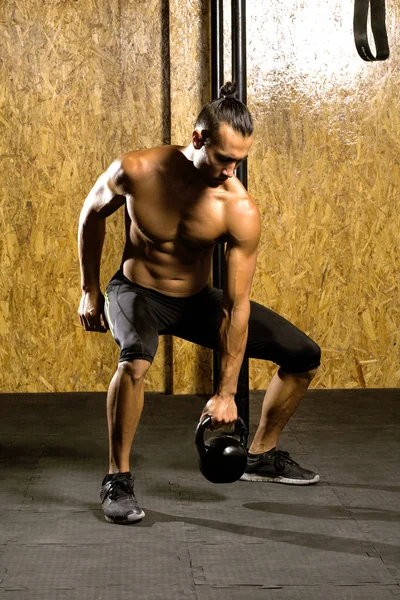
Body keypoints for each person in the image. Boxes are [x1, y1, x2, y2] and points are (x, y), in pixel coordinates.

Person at [78, 82, 321, 525]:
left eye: (240, 161)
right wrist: (90, 288)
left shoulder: (237, 209)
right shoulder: (136, 169)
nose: (232, 171)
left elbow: (235, 305)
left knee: (304, 356)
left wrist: (226, 394)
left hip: (194, 300)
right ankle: (118, 480)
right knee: (135, 360)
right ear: (197, 139)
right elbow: (92, 214)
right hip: (137, 292)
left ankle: (260, 454)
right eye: (225, 158)